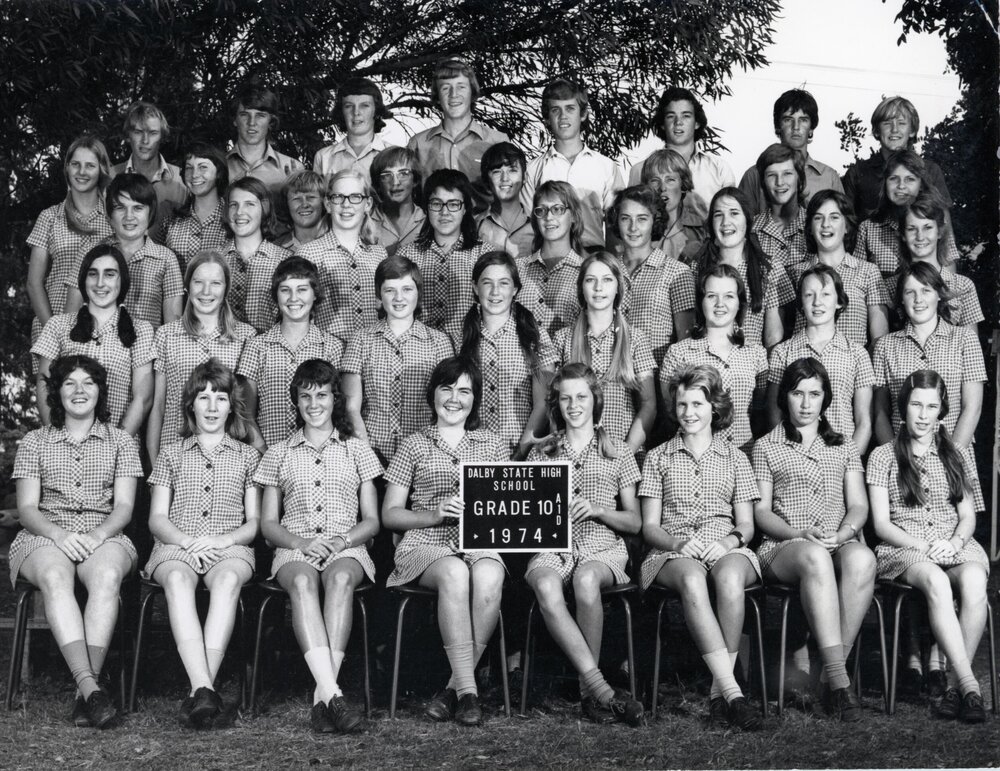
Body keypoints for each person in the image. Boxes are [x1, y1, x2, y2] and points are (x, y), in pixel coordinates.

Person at [11, 354, 142, 728]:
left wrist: (95, 536)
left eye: (88, 382)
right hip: (45, 533)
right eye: (70, 383)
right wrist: (61, 535)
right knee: (55, 577)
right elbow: (27, 509)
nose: (80, 390)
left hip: (105, 532)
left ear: (100, 391)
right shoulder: (35, 441)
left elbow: (124, 507)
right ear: (57, 392)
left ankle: (85, 693)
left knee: (106, 578)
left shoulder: (121, 441)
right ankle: (90, 690)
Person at [381, 357, 508, 726]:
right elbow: (391, 514)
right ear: (432, 393)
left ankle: (453, 689)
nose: (455, 399)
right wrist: (432, 515)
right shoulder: (413, 444)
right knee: (455, 573)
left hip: (478, 540)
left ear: (475, 399)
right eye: (447, 388)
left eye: (465, 391)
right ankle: (470, 693)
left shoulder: (493, 445)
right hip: (425, 543)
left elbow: (508, 509)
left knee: (489, 575)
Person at [256, 359, 382, 733]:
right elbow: (267, 524)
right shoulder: (279, 452)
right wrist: (302, 542)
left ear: (335, 399)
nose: (314, 404)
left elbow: (373, 521)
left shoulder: (357, 450)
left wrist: (340, 540)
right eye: (305, 395)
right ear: (295, 400)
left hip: (347, 544)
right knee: (302, 583)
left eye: (322, 395)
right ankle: (334, 695)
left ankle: (322, 699)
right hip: (295, 545)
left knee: (341, 579)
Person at [639, 364, 762, 730]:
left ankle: (715, 694)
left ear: (714, 408)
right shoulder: (659, 457)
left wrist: (728, 542)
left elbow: (747, 525)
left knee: (729, 579)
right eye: (681, 405)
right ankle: (732, 692)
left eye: (697, 404)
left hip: (726, 547)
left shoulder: (736, 457)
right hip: (672, 551)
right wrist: (678, 542)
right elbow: (648, 527)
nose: (689, 413)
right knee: (693, 579)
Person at [752, 357, 875, 721]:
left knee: (863, 559)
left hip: (836, 540)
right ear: (784, 397)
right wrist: (798, 534)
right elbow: (761, 513)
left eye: (814, 394)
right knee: (815, 557)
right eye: (797, 393)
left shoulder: (844, 446)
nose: (806, 404)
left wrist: (844, 533)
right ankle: (840, 683)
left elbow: (858, 505)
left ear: (826, 398)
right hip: (785, 546)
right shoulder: (766, 446)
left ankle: (827, 673)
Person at [523, 363, 644, 726]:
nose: (573, 405)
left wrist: (598, 509)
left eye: (581, 397)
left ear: (596, 399)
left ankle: (586, 692)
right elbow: (525, 517)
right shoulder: (541, 453)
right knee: (545, 582)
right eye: (565, 399)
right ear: (556, 405)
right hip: (553, 546)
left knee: (586, 580)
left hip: (601, 545)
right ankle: (600, 691)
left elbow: (635, 521)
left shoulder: (617, 451)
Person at [867, 370, 988, 723]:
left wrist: (953, 542)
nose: (923, 414)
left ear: (941, 411)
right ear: (903, 407)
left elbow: (967, 517)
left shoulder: (956, 453)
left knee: (975, 581)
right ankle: (970, 685)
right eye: (916, 405)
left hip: (953, 543)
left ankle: (952, 685)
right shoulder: (883, 456)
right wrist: (926, 546)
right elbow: (881, 524)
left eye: (931, 406)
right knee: (935, 580)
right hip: (906, 548)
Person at [145, 360, 260, 727]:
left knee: (227, 580)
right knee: (178, 580)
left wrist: (223, 539)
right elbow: (157, 518)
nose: (212, 407)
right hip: (177, 545)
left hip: (230, 546)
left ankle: (199, 691)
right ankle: (204, 687)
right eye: (204, 397)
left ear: (232, 406)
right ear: (190, 404)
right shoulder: (171, 453)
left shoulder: (248, 456)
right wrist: (187, 541)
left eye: (221, 398)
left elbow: (254, 522)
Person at [340, 255, 453, 464]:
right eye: (390, 290)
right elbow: (351, 407)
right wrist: (366, 456)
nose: (398, 298)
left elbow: (447, 405)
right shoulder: (361, 340)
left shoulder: (439, 342)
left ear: (418, 293)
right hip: (372, 451)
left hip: (425, 454)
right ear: (379, 296)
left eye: (407, 289)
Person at [147, 250, 257, 466]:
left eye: (216, 283)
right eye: (199, 282)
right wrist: (154, 461)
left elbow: (246, 410)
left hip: (228, 458)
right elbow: (158, 405)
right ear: (187, 286)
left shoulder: (246, 336)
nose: (206, 291)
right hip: (174, 451)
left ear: (226, 289)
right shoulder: (166, 335)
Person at [34, 245, 154, 436]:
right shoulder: (58, 326)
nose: (100, 283)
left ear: (122, 280)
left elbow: (143, 398)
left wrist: (116, 445)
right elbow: (43, 388)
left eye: (109, 274)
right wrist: (60, 441)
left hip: (119, 447)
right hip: (64, 448)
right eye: (93, 274)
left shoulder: (142, 330)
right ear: (83, 279)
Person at [872, 262, 985, 453]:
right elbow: (880, 412)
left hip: (953, 455)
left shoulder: (965, 339)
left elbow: (972, 407)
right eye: (910, 292)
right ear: (901, 298)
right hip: (902, 457)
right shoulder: (885, 346)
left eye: (926, 290)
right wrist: (895, 457)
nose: (918, 299)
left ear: (939, 294)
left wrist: (951, 458)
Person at [551, 252, 656, 452]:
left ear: (618, 287)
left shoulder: (635, 339)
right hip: (575, 452)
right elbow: (554, 404)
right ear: (582, 287)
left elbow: (649, 404)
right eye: (591, 280)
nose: (598, 288)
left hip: (623, 449)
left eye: (607, 280)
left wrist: (625, 454)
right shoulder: (563, 339)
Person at [458, 250, 555, 459]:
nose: (495, 292)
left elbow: (543, 403)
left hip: (519, 449)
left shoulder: (535, 337)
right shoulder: (457, 336)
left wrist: (521, 453)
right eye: (487, 283)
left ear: (515, 289)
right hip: (470, 453)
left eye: (503, 283)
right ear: (475, 287)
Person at [660, 265, 768, 453]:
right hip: (694, 457)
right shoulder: (678, 353)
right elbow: (671, 412)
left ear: (739, 302)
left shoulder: (756, 354)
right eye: (711, 296)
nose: (720, 303)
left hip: (745, 455)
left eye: (729, 296)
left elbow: (760, 414)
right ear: (701, 301)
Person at [239, 257, 344, 450]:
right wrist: (264, 453)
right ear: (276, 295)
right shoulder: (257, 347)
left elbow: (337, 410)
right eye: (285, 290)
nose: (293, 298)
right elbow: (246, 413)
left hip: (319, 457)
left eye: (302, 290)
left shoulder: (332, 347)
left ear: (315, 294)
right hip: (267, 456)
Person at [767, 265, 874, 454]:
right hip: (794, 455)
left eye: (825, 294)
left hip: (842, 455)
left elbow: (863, 421)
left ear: (839, 302)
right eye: (809, 295)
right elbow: (775, 413)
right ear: (801, 303)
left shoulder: (857, 354)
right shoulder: (782, 352)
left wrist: (849, 464)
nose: (817, 302)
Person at [65, 172, 183, 329]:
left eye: (138, 208)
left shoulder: (166, 259)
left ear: (151, 212)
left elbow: (173, 327)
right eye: (120, 207)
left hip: (145, 349)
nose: (129, 216)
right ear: (109, 214)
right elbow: (70, 317)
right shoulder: (90, 252)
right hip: (94, 349)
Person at [27, 135, 113, 346]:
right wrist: (55, 333)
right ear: (67, 168)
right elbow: (33, 283)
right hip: (51, 324)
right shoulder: (49, 217)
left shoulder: (114, 220)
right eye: (76, 164)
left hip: (101, 330)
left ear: (101, 170)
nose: (82, 172)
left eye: (90, 165)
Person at [522, 79, 623, 251]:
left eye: (570, 108)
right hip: (550, 256)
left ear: (582, 114)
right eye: (555, 110)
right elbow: (528, 224)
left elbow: (616, 224)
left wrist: (610, 263)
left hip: (593, 256)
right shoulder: (533, 169)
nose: (563, 117)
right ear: (547, 117)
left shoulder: (606, 166)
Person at [692, 187, 794, 349]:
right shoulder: (698, 267)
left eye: (734, 213)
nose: (726, 222)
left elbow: (773, 337)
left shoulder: (769, 268)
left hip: (750, 366)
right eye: (718, 215)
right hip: (705, 365)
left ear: (747, 220)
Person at [399, 169, 494, 339]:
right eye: (436, 204)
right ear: (427, 208)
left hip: (468, 352)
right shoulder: (407, 255)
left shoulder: (484, 254)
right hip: (420, 353)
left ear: (465, 208)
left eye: (453, 204)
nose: (444, 212)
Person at [608, 184, 696, 366]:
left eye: (642, 219)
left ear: (654, 221)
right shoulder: (607, 270)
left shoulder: (677, 273)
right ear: (617, 220)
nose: (633, 227)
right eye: (626, 218)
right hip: (612, 379)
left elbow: (685, 342)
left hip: (657, 377)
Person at [788, 190, 889, 347]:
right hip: (805, 366)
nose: (825, 224)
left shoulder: (868, 272)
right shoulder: (796, 273)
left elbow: (880, 339)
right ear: (810, 228)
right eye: (818, 218)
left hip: (850, 368)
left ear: (847, 226)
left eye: (834, 217)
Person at [295, 170, 387, 341]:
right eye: (338, 197)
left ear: (367, 204)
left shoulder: (378, 254)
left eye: (355, 197)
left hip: (372, 354)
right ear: (328, 204)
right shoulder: (308, 254)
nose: (346, 204)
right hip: (328, 355)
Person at [407, 57, 508, 205]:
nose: (453, 94)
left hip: (484, 226)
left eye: (461, 86)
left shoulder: (497, 141)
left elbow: (508, 198)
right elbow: (410, 199)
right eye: (445, 88)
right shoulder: (418, 144)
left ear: (472, 92)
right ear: (437, 96)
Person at [842, 96, 952, 221]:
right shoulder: (857, 173)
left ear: (912, 131)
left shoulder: (931, 170)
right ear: (877, 131)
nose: (894, 130)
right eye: (887, 123)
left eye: (901, 123)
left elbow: (945, 224)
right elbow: (846, 225)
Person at [854, 149, 960, 279]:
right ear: (884, 183)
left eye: (910, 179)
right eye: (894, 179)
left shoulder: (935, 223)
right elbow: (858, 278)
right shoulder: (868, 228)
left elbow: (950, 276)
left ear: (921, 184)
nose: (901, 186)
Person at [738, 89, 843, 216]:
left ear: (811, 128)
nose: (796, 127)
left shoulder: (829, 177)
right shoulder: (754, 174)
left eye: (803, 120)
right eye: (788, 119)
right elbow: (742, 224)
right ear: (778, 126)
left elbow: (843, 226)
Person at [629, 86, 735, 208]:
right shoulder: (640, 170)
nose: (678, 122)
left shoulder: (719, 169)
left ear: (697, 123)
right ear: (662, 124)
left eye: (686, 115)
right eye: (670, 116)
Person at [898, 191, 983, 330]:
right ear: (902, 235)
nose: (920, 236)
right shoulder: (890, 286)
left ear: (939, 232)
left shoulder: (963, 286)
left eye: (928, 228)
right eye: (912, 229)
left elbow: (971, 345)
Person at [219, 177, 293, 332]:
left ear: (264, 209)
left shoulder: (285, 261)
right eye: (234, 205)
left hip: (268, 351)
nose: (239, 212)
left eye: (249, 204)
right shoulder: (214, 260)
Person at [516, 180, 586, 337]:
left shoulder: (586, 272)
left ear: (574, 216)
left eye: (558, 209)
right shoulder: (517, 268)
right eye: (541, 210)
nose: (548, 217)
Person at [111, 100, 187, 241]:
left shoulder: (183, 179)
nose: (145, 141)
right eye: (138, 132)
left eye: (153, 133)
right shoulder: (110, 178)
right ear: (128, 136)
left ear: (162, 137)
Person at [226, 81, 304, 210]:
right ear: (235, 120)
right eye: (244, 114)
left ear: (271, 121)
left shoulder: (292, 168)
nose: (252, 123)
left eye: (260, 115)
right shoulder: (219, 166)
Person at [165, 143, 230, 270]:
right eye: (189, 168)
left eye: (203, 167)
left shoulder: (232, 219)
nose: (194, 175)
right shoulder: (171, 220)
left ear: (219, 172)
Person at [313, 77, 392, 179]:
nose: (356, 112)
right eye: (349, 106)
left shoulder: (394, 155)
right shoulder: (323, 157)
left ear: (376, 111)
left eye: (364, 105)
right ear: (341, 111)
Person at [638, 149, 707, 264]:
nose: (662, 188)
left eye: (670, 180)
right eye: (655, 180)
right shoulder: (637, 229)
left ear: (683, 184)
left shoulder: (702, 230)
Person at [751, 144, 808, 268]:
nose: (780, 182)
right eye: (771, 175)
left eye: (787, 173)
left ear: (799, 178)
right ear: (763, 182)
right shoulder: (752, 229)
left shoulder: (815, 225)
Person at [477, 142, 534, 259]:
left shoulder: (539, 225)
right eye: (497, 172)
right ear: (486, 180)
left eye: (512, 170)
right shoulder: (475, 225)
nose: (504, 178)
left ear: (525, 177)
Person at [369, 145, 426, 257]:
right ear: (378, 184)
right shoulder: (366, 222)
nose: (395, 182)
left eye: (403, 174)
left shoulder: (429, 222)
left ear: (415, 180)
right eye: (386, 175)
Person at [276, 170, 330, 252]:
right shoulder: (276, 247)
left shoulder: (339, 242)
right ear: (286, 204)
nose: (304, 204)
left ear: (323, 202)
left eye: (311, 197)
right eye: (296, 199)